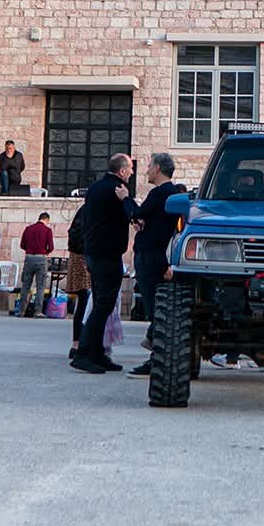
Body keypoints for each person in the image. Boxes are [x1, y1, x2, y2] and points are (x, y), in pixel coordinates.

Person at [72, 154, 138, 374]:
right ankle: (83, 353)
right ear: (122, 171)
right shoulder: (118, 190)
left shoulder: (95, 188)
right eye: (130, 169)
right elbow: (134, 215)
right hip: (107, 254)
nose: (132, 173)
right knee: (103, 305)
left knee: (102, 303)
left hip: (94, 252)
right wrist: (127, 200)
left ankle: (97, 353)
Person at [128, 152, 188, 377]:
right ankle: (154, 347)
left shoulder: (160, 192)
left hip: (150, 255)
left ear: (158, 168)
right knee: (156, 307)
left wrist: (125, 198)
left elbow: (137, 213)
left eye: (149, 166)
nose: (146, 170)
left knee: (155, 308)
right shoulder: (171, 194)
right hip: (158, 254)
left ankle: (156, 356)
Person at [10, 211, 55, 317]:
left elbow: (22, 245)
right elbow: (51, 247)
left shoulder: (28, 229)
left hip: (29, 258)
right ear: (47, 220)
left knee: (25, 285)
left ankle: (21, 311)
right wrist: (44, 252)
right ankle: (38, 311)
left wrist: (30, 250)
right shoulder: (47, 230)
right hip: (41, 258)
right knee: (40, 286)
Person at [66, 206, 92, 357]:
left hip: (80, 256)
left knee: (83, 302)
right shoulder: (91, 211)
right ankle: (82, 344)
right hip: (85, 257)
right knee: (86, 301)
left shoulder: (84, 211)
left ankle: (77, 343)